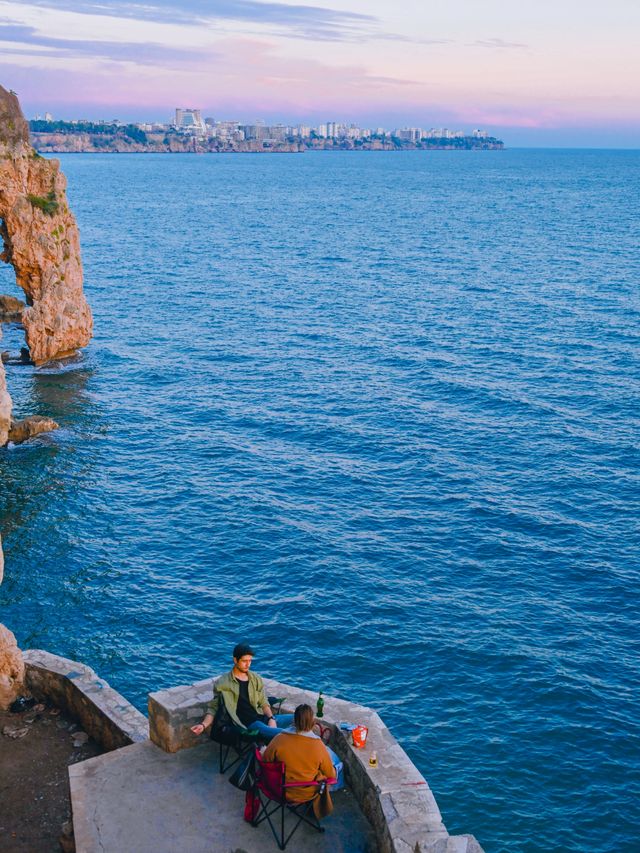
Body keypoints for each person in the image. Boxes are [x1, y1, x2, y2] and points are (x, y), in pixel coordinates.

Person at [190, 642, 295, 740]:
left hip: (263, 718)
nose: (248, 664)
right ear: (235, 660)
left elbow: (263, 702)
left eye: (250, 661)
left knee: (301, 719)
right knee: (283, 734)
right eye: (244, 661)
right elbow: (213, 708)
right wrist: (203, 725)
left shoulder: (255, 678)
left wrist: (271, 718)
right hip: (249, 726)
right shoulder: (223, 683)